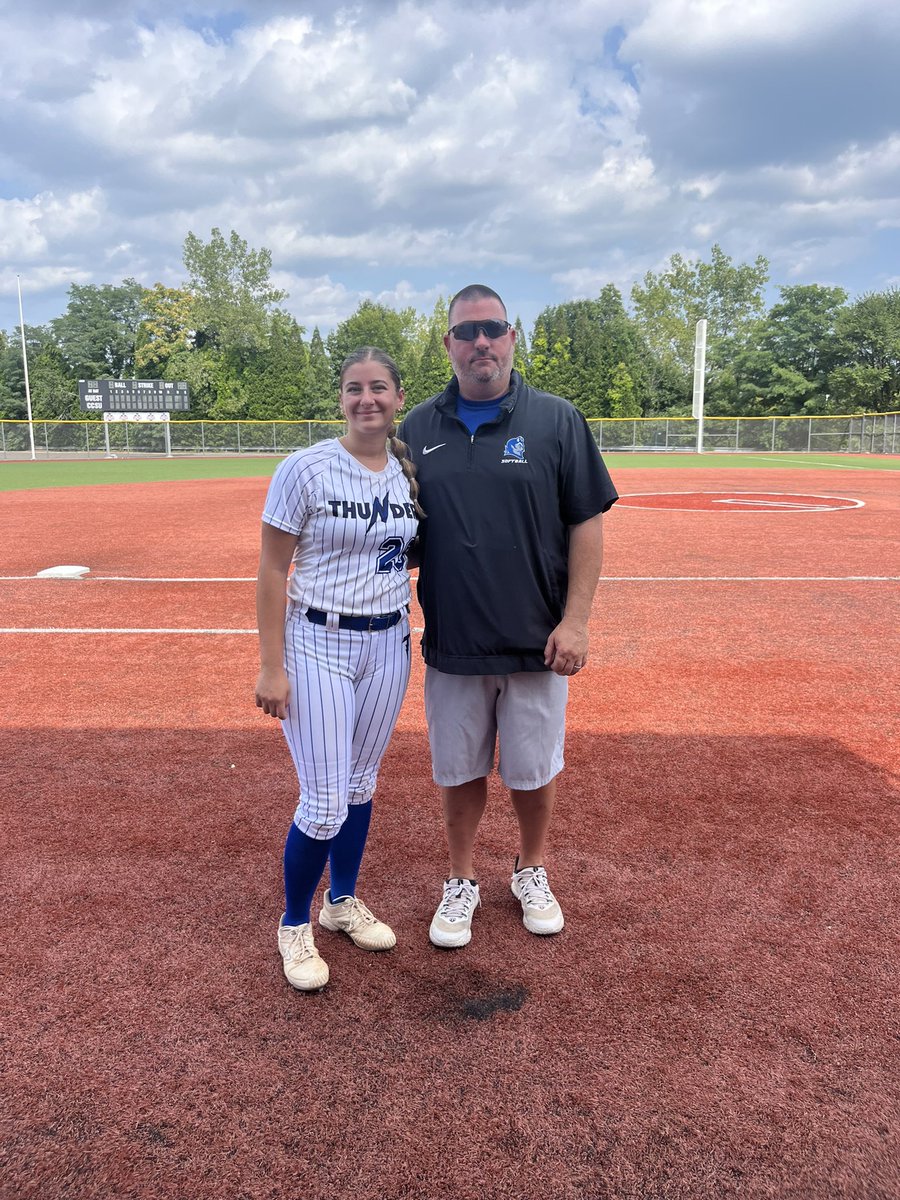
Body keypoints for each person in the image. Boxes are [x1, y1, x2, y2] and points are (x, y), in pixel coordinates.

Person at [398, 285, 618, 948]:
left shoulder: (556, 420)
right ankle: (461, 879)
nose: (481, 343)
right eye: (467, 332)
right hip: (456, 640)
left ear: (512, 336)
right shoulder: (418, 428)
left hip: (536, 641)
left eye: (493, 329)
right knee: (458, 768)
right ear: (449, 345)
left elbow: (587, 522)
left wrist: (576, 621)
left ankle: (531, 867)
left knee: (532, 769)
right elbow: (396, 533)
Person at [255, 347, 421, 990]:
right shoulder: (306, 468)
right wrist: (272, 665)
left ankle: (340, 902)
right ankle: (294, 922)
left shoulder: (409, 472)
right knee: (323, 803)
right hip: (317, 642)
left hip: (389, 644)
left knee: (359, 784)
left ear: (398, 398)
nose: (367, 399)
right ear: (341, 399)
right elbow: (273, 570)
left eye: (379, 388)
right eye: (354, 388)